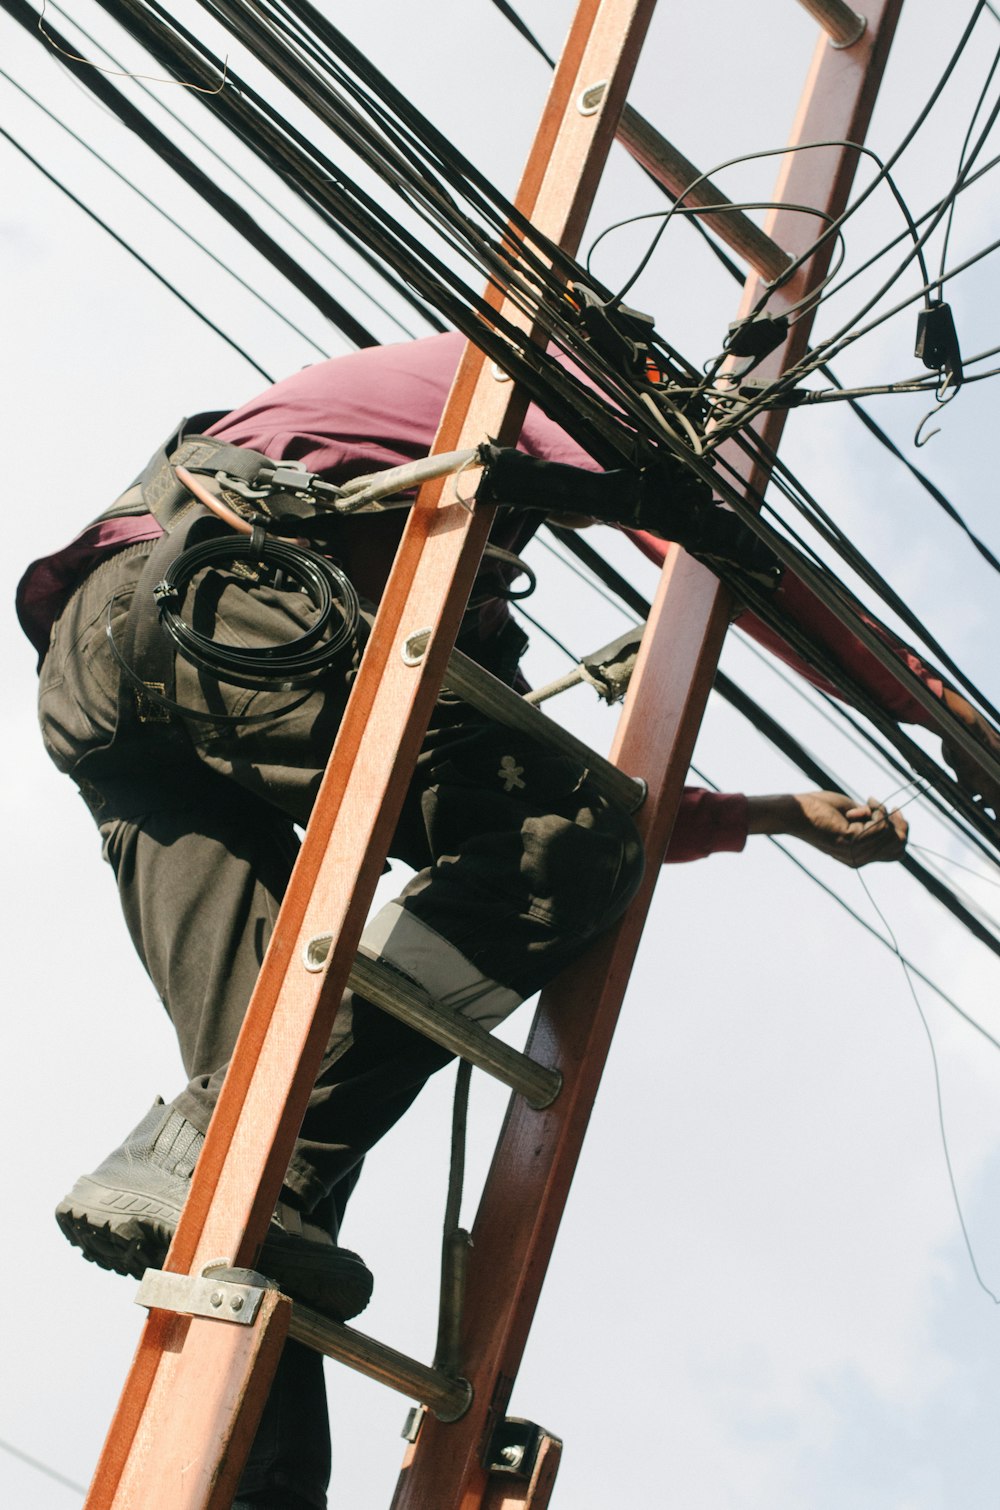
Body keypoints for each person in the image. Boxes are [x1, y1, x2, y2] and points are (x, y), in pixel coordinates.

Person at [17, 333, 908, 1510]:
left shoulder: (459, 554)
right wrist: (910, 697)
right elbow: (671, 513)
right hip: (215, 602)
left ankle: (251, 1487)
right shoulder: (509, 367)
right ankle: (204, 1150)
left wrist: (769, 812)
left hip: (117, 672)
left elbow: (540, 776)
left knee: (267, 1170)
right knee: (566, 848)